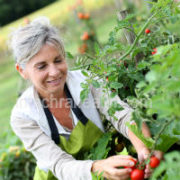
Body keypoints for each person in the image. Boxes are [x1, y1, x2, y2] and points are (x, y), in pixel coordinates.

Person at [9, 17, 162, 180]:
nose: (54, 72)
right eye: (42, 66)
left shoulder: (86, 82)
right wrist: (97, 167)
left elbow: (122, 115)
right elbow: (59, 165)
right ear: (22, 71)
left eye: (58, 60)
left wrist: (143, 147)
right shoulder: (23, 116)